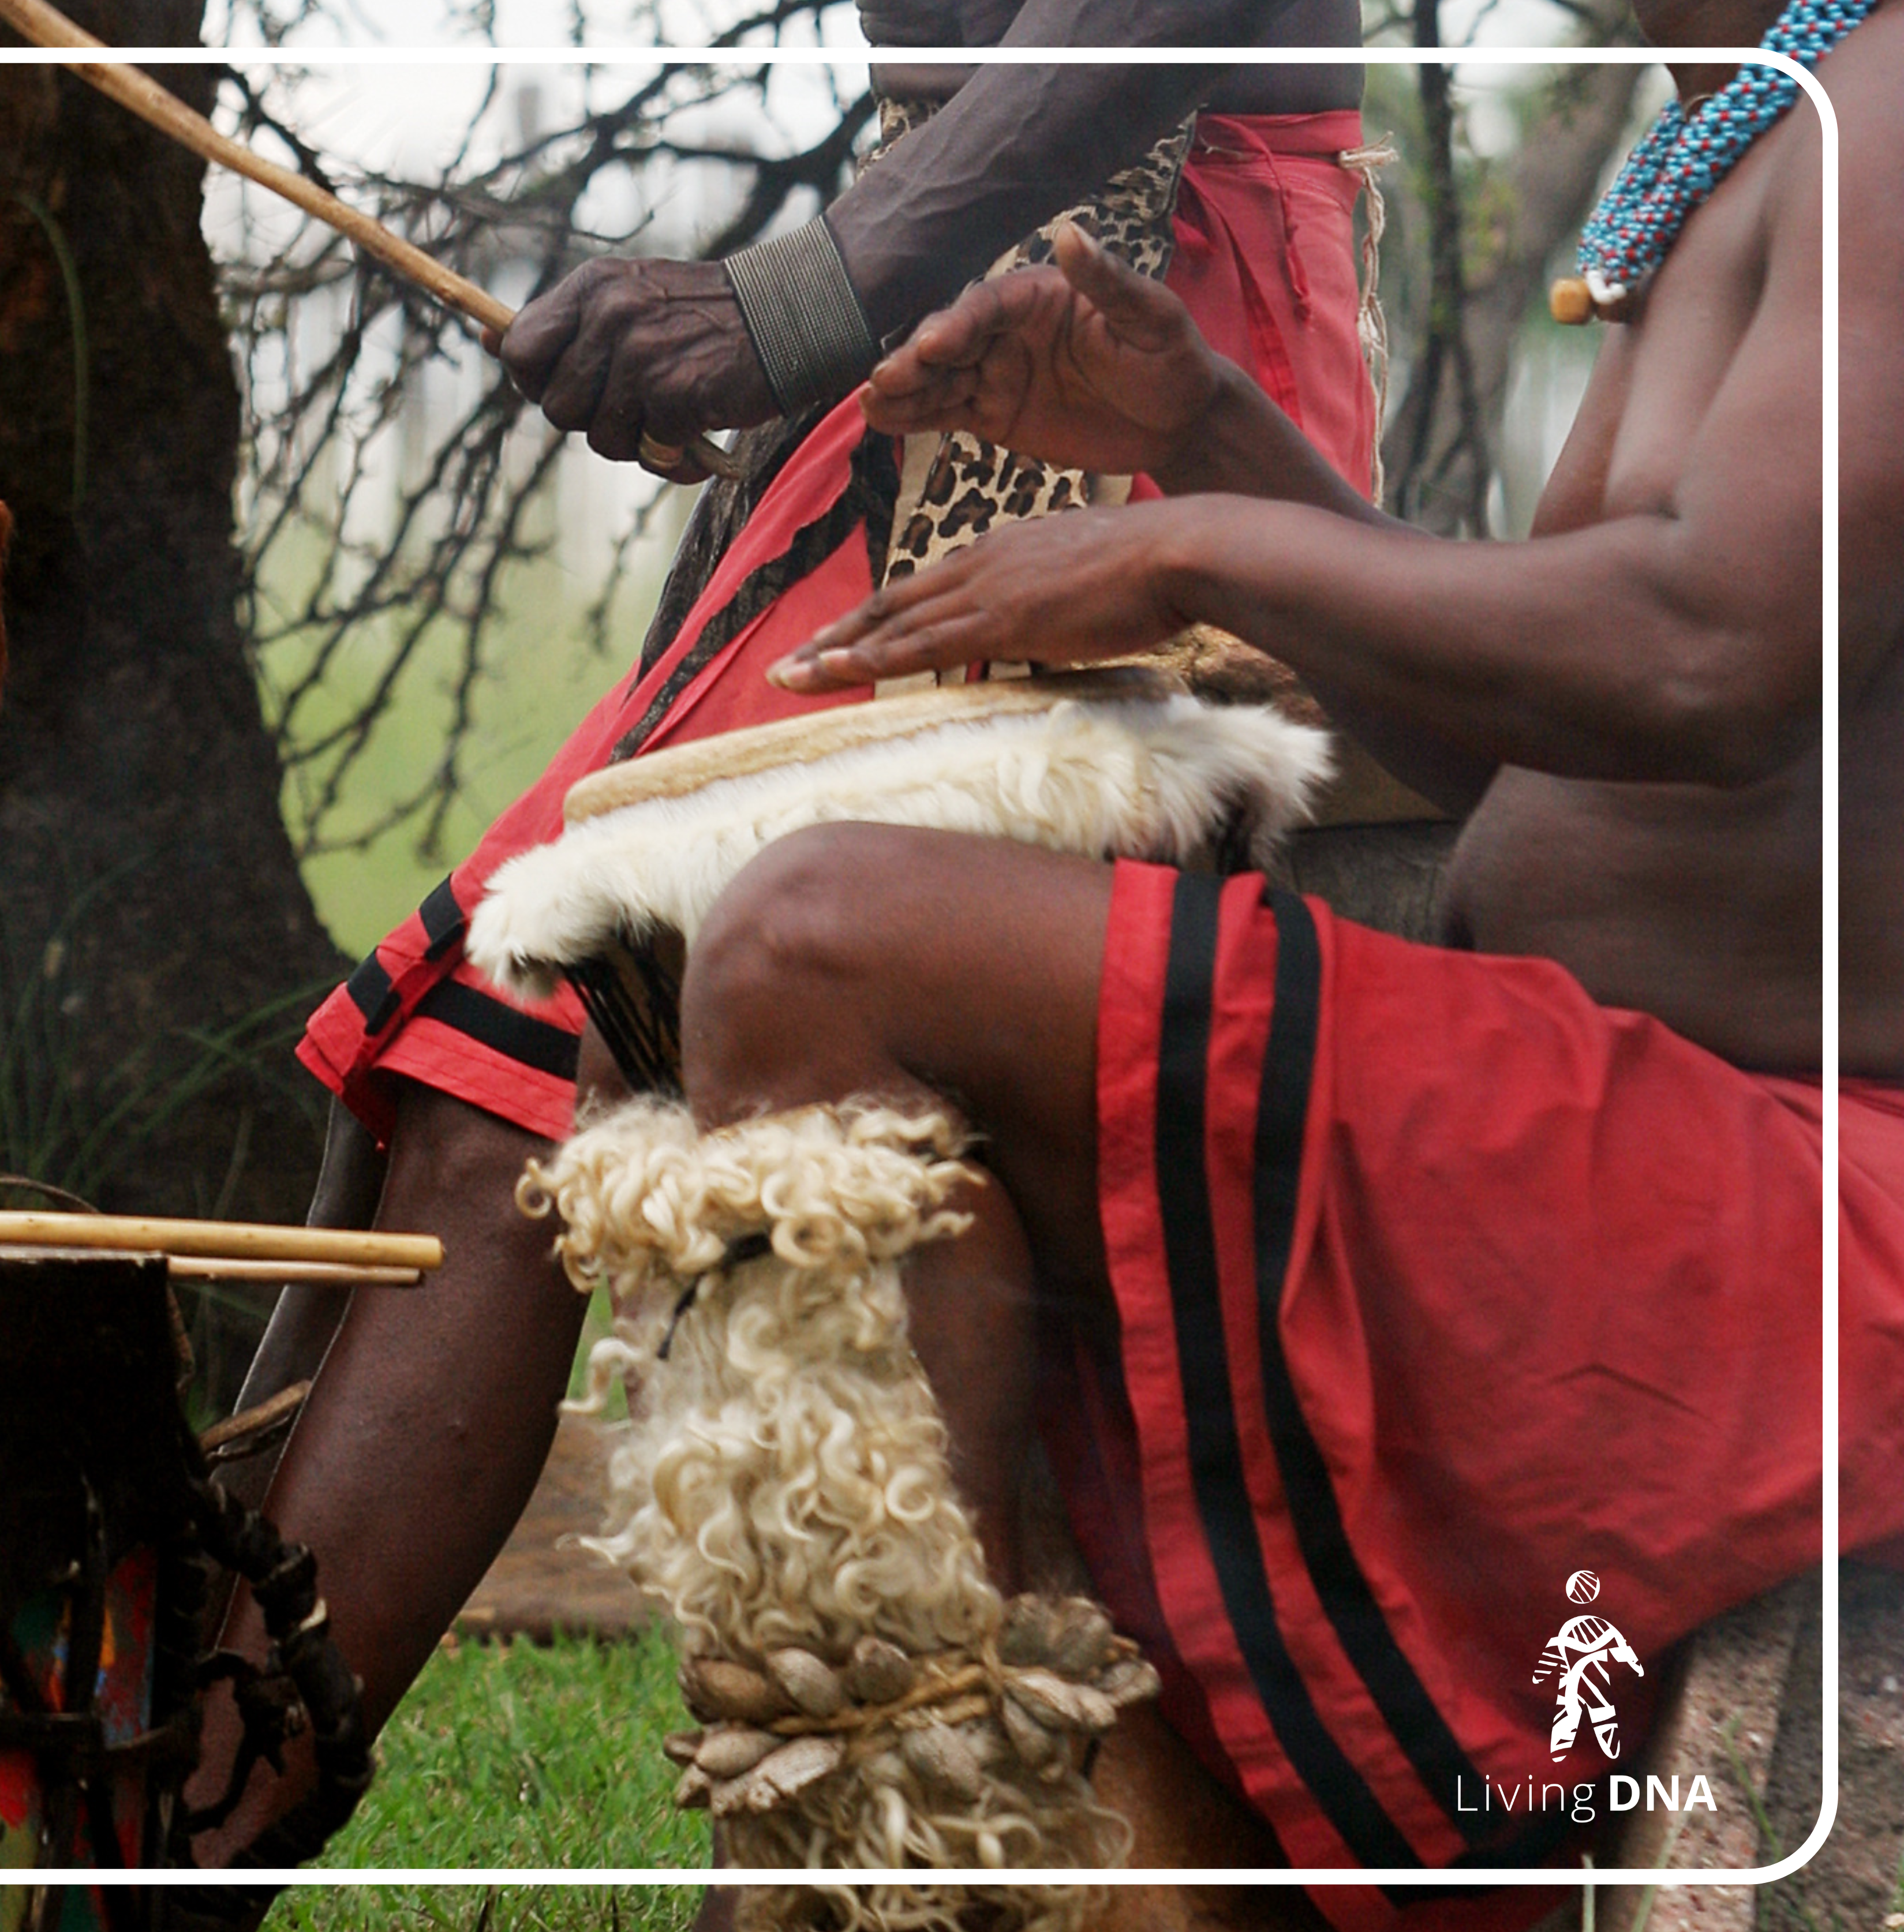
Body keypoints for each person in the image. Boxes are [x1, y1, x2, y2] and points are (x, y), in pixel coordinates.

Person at [643, 0, 1896, 1912]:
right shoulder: (1768, 117)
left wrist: (1196, 547)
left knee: (819, 946)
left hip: (1786, 1214)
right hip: (1629, 1139)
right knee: (836, 985)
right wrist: (1203, 429)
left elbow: (1708, 658)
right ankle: (925, 1861)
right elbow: (1567, 749)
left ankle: (869, 1880)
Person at [203, 0, 1396, 1869]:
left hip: (1135, 340)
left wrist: (803, 293)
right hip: (932, 316)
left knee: (650, 1051)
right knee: (471, 1074)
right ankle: (146, 1851)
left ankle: (823, 1872)